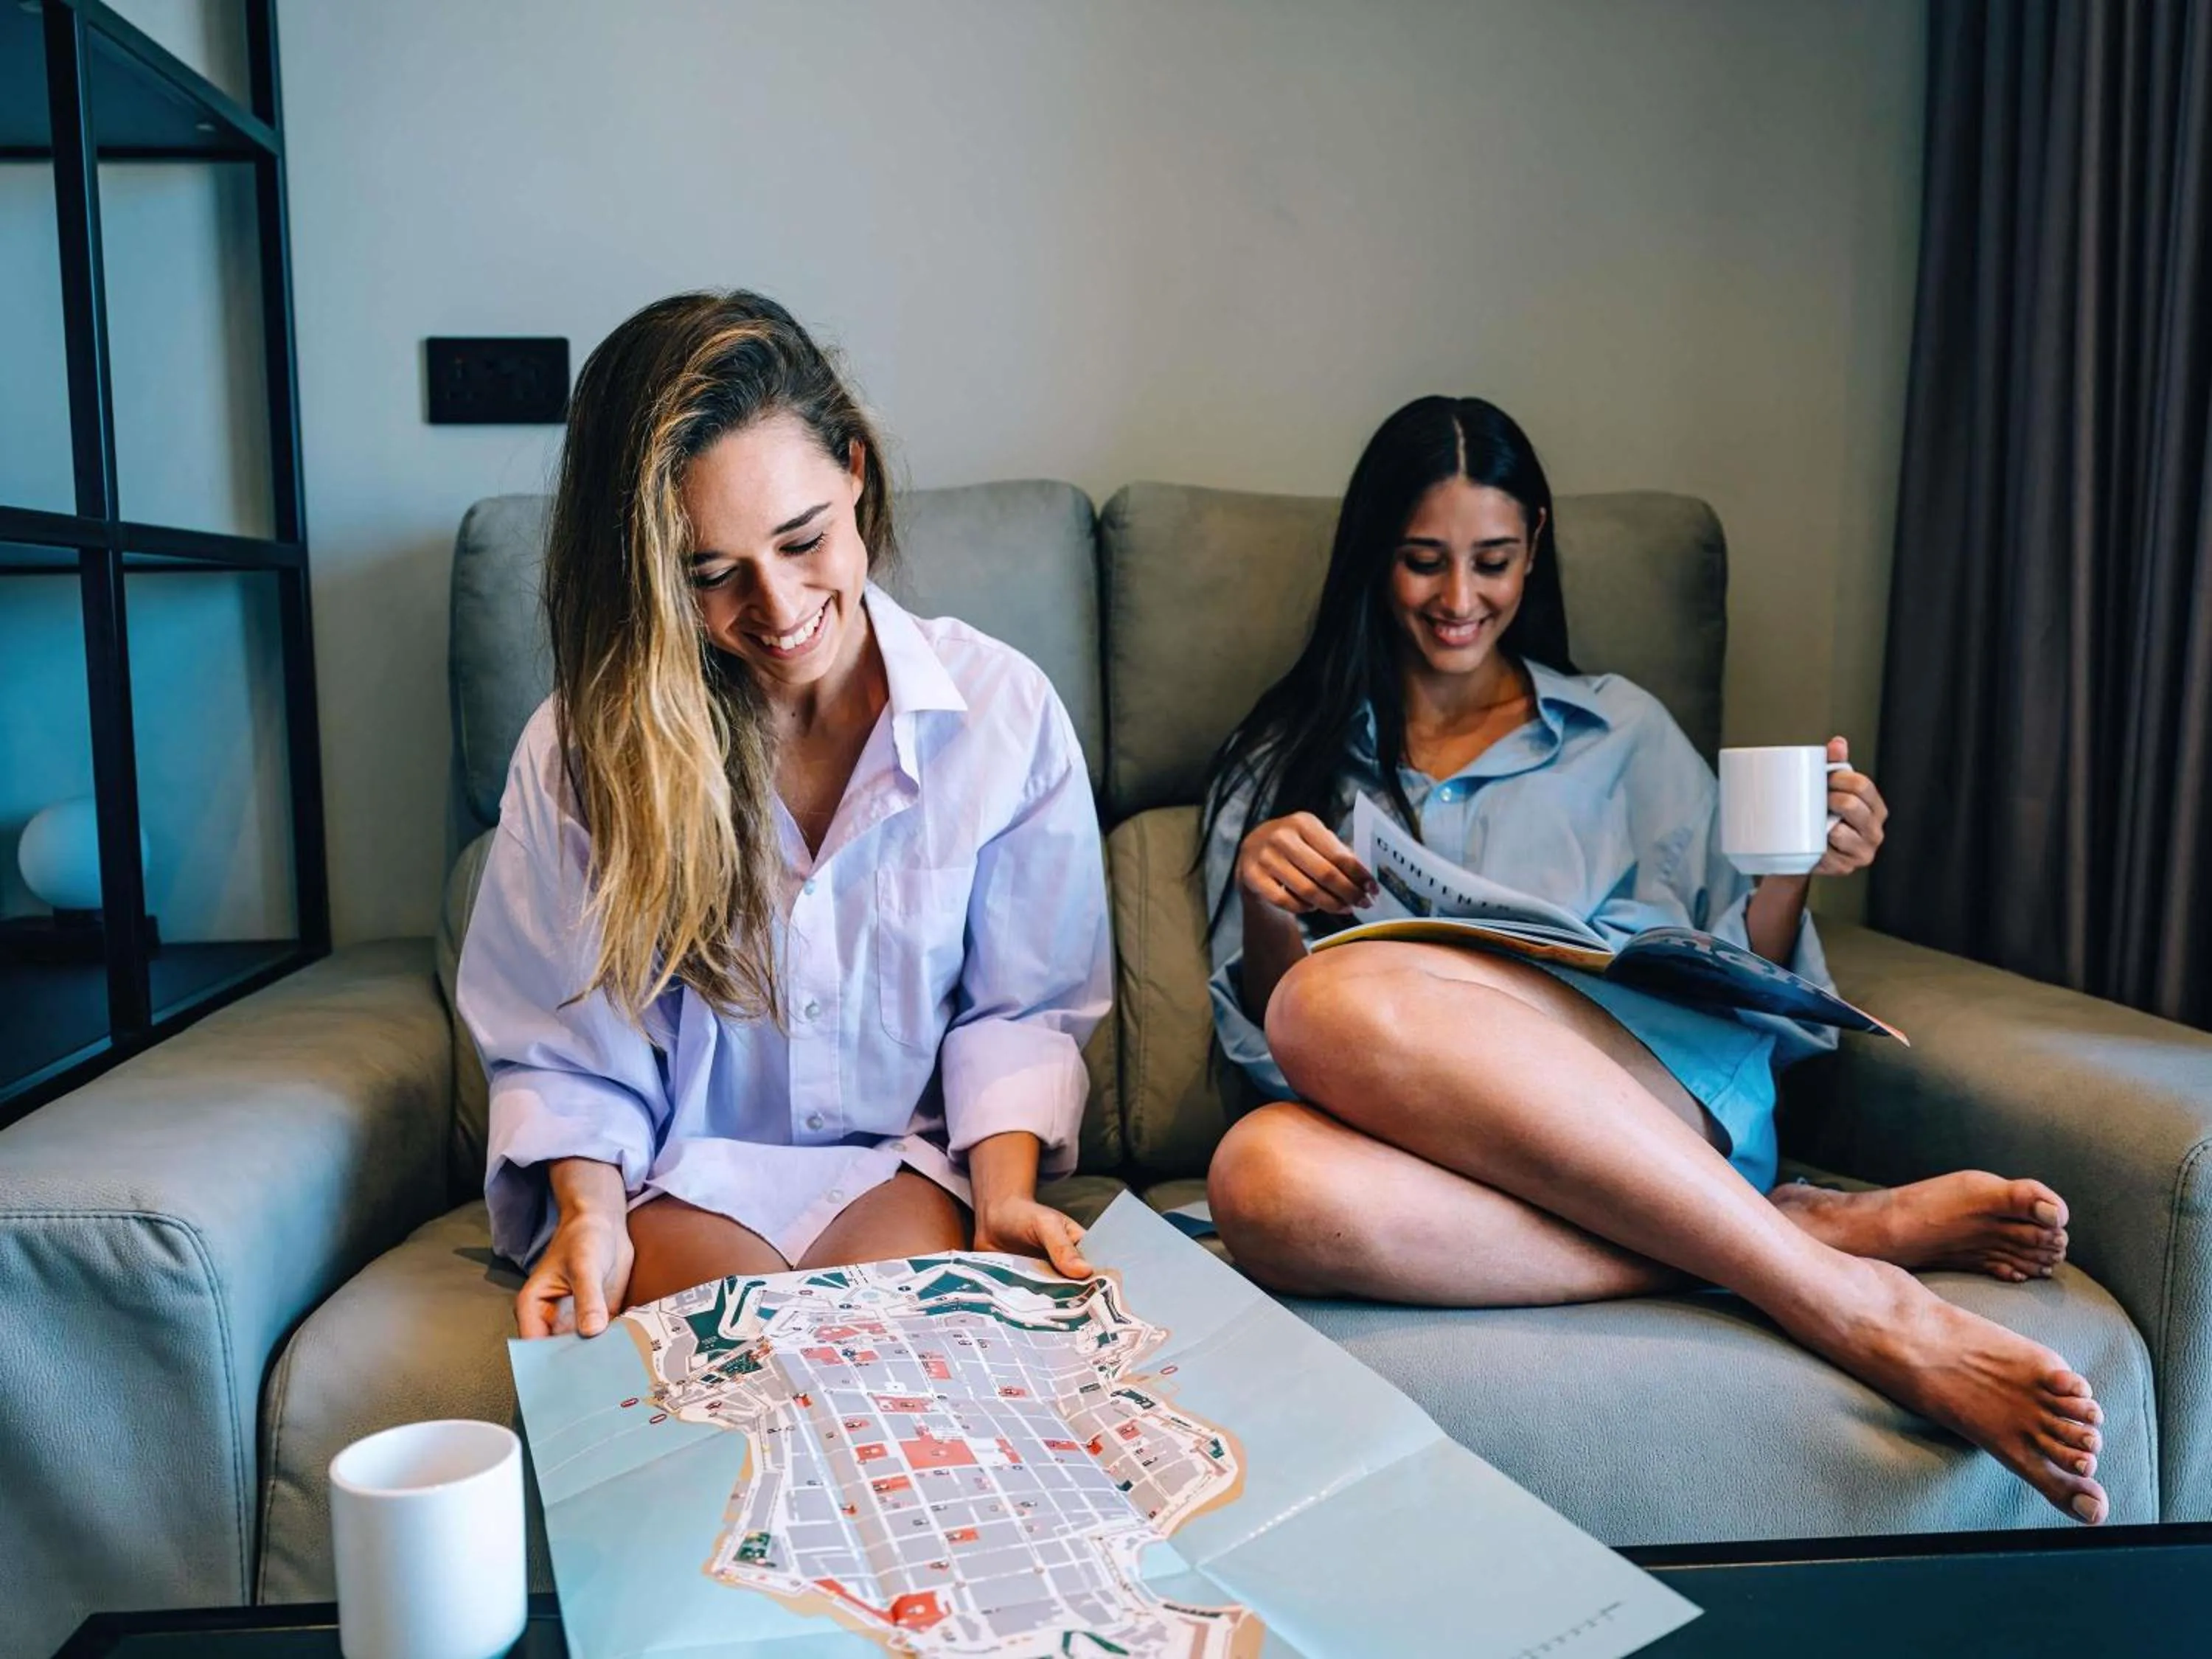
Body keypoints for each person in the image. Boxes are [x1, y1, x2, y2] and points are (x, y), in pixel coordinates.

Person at [1199, 395, 2107, 1524]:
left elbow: (1744, 981)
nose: (1459, 598)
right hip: (1417, 1143)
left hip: (1655, 1097)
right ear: (1374, 555)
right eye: (1423, 560)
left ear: (1535, 543)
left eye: (1492, 560)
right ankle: (1791, 1231)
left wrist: (1797, 868)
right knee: (1256, 1182)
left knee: (1334, 992)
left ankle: (1855, 1307)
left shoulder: (1621, 730)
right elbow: (1264, 1052)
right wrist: (1268, 902)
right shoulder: (1284, 761)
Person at [459, 291, 1108, 1342]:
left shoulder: (1002, 711)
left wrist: (1005, 1193)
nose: (777, 608)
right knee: (744, 1361)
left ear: (855, 472)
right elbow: (563, 1048)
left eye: (803, 539)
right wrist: (589, 1215)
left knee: (889, 1355)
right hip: (679, 1175)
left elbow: (1018, 1012)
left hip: (899, 1164)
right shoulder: (583, 750)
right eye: (711, 575)